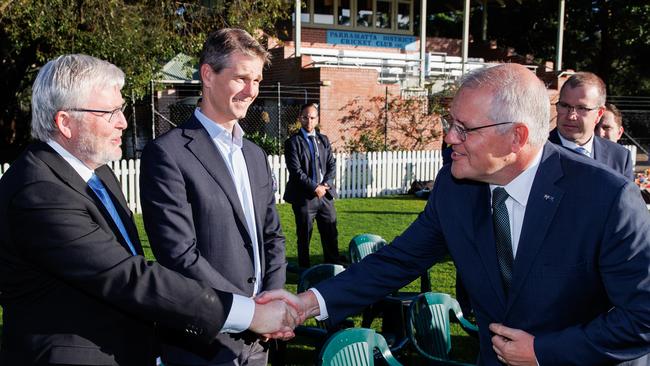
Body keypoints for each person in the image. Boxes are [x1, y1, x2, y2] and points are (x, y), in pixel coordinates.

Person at [258, 64, 650, 365]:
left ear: (517, 136)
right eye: (450, 124)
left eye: (464, 128)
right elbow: (395, 261)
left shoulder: (607, 197)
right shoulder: (455, 189)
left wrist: (545, 352)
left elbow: (642, 316)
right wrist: (306, 303)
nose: (449, 138)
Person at [0, 54, 297, 365]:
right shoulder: (38, 191)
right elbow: (129, 277)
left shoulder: (96, 173)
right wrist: (250, 313)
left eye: (122, 109)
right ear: (65, 122)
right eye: (109, 112)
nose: (123, 122)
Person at [140, 28, 287, 366]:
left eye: (258, 80)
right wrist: (250, 312)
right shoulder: (168, 154)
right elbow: (179, 255)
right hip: (203, 343)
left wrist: (274, 301)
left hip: (261, 342)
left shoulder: (255, 155)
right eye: (242, 78)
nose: (252, 91)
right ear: (208, 75)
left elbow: (272, 235)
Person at [283, 103, 343, 268]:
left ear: (317, 119)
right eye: (305, 117)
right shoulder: (293, 142)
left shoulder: (323, 140)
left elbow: (331, 165)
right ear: (300, 119)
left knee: (330, 231)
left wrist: (325, 184)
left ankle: (333, 265)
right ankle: (304, 267)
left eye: (312, 117)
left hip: (325, 195)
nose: (308, 121)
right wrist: (314, 187)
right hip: (305, 197)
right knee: (304, 234)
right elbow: (296, 171)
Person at [549, 72, 634, 180]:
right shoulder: (536, 152)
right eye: (565, 106)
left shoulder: (619, 157)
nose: (571, 116)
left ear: (599, 113)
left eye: (581, 108)